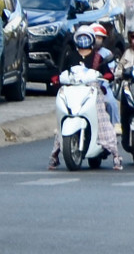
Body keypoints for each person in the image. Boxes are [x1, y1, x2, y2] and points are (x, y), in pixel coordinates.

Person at [48, 26, 123, 171]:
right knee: (62, 118)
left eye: (86, 37)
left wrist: (107, 76)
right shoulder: (71, 56)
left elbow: (107, 73)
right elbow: (63, 72)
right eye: (80, 37)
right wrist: (57, 77)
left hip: (92, 91)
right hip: (73, 90)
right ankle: (55, 154)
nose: (83, 41)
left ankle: (115, 154)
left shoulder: (97, 57)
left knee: (102, 119)